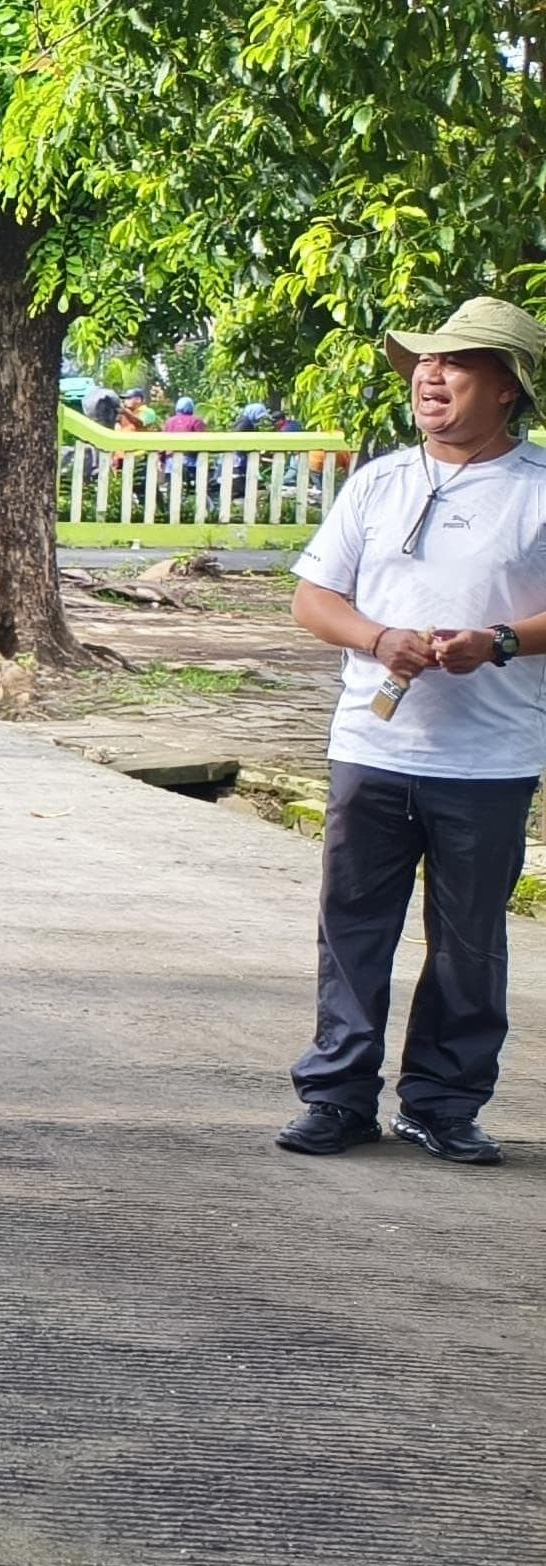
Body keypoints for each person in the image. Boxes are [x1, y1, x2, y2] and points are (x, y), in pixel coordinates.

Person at [278, 296, 546, 1166]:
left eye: (457, 363)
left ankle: (443, 1102)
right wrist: (377, 637)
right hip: (372, 746)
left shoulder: (538, 491)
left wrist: (500, 641)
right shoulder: (379, 480)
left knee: (470, 940)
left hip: (489, 759)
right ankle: (338, 1096)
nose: (431, 375)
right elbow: (313, 598)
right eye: (426, 362)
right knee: (353, 927)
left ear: (507, 388)